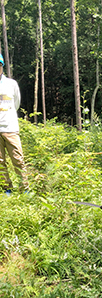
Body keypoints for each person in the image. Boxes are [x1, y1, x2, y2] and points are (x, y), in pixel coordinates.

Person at [0, 53, 28, 195]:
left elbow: (16, 104)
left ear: (2, 66)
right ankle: (7, 188)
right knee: (0, 162)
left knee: (17, 159)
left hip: (10, 128)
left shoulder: (12, 84)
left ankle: (25, 188)